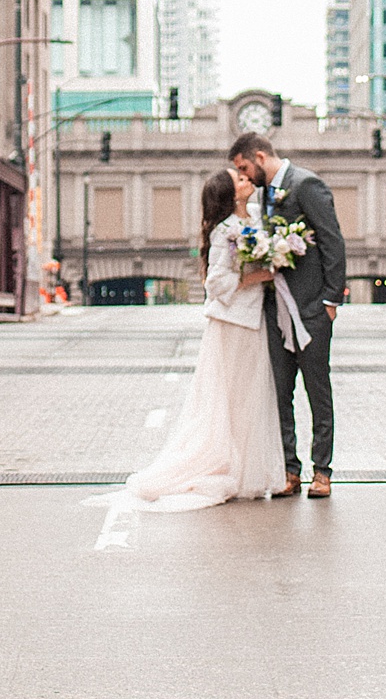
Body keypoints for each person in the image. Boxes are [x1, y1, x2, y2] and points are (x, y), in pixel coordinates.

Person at [120, 169, 284, 510]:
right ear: (231, 194)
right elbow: (216, 283)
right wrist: (256, 276)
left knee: (250, 397)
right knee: (229, 397)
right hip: (231, 323)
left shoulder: (257, 216)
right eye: (238, 179)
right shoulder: (225, 231)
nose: (246, 179)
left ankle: (245, 471)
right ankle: (225, 467)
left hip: (254, 321)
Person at [228, 129, 348, 498]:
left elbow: (332, 240)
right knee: (280, 392)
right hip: (274, 310)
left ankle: (322, 471)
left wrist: (330, 301)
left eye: (244, 167)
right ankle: (288, 471)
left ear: (261, 157)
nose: (244, 176)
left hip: (311, 309)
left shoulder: (306, 185)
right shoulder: (261, 196)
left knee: (317, 392)